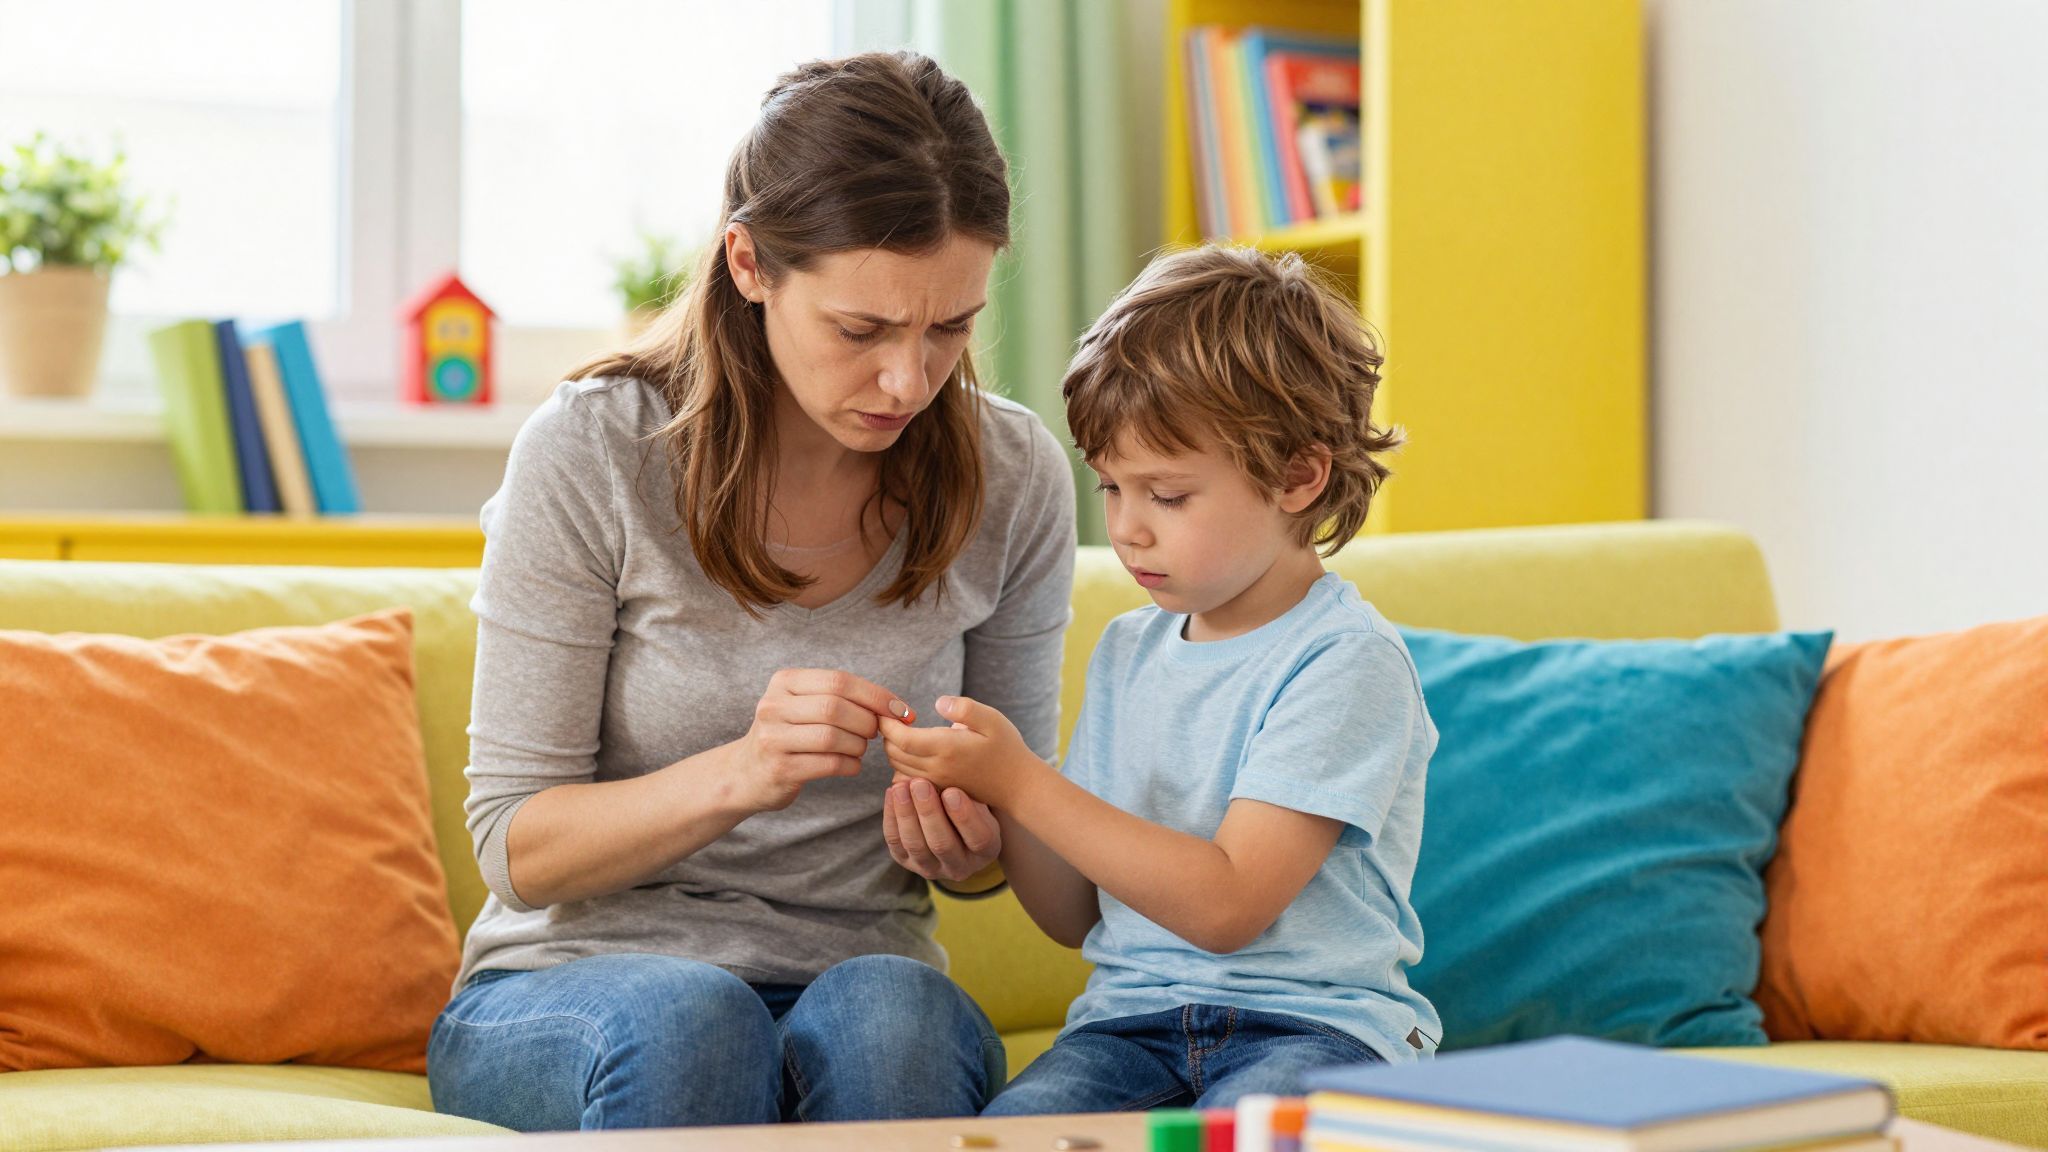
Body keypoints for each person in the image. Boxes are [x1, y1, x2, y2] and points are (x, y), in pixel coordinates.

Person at [427, 51, 1077, 1130]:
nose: (908, 382)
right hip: (570, 988)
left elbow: (1010, 834)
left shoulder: (1011, 478)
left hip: (850, 973)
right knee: (695, 1022)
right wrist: (743, 771)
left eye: (950, 328)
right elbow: (515, 843)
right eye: (860, 331)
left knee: (898, 1018)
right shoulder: (593, 452)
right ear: (749, 264)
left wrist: (974, 848)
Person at [881, 245, 1441, 1115]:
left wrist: (1024, 779)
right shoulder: (1128, 650)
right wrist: (995, 806)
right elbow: (1076, 916)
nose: (1128, 530)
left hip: (1315, 1030)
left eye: (1168, 496)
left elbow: (1227, 906)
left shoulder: (1343, 660)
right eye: (1111, 486)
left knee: (1265, 1135)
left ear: (1299, 475)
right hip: (1126, 1028)